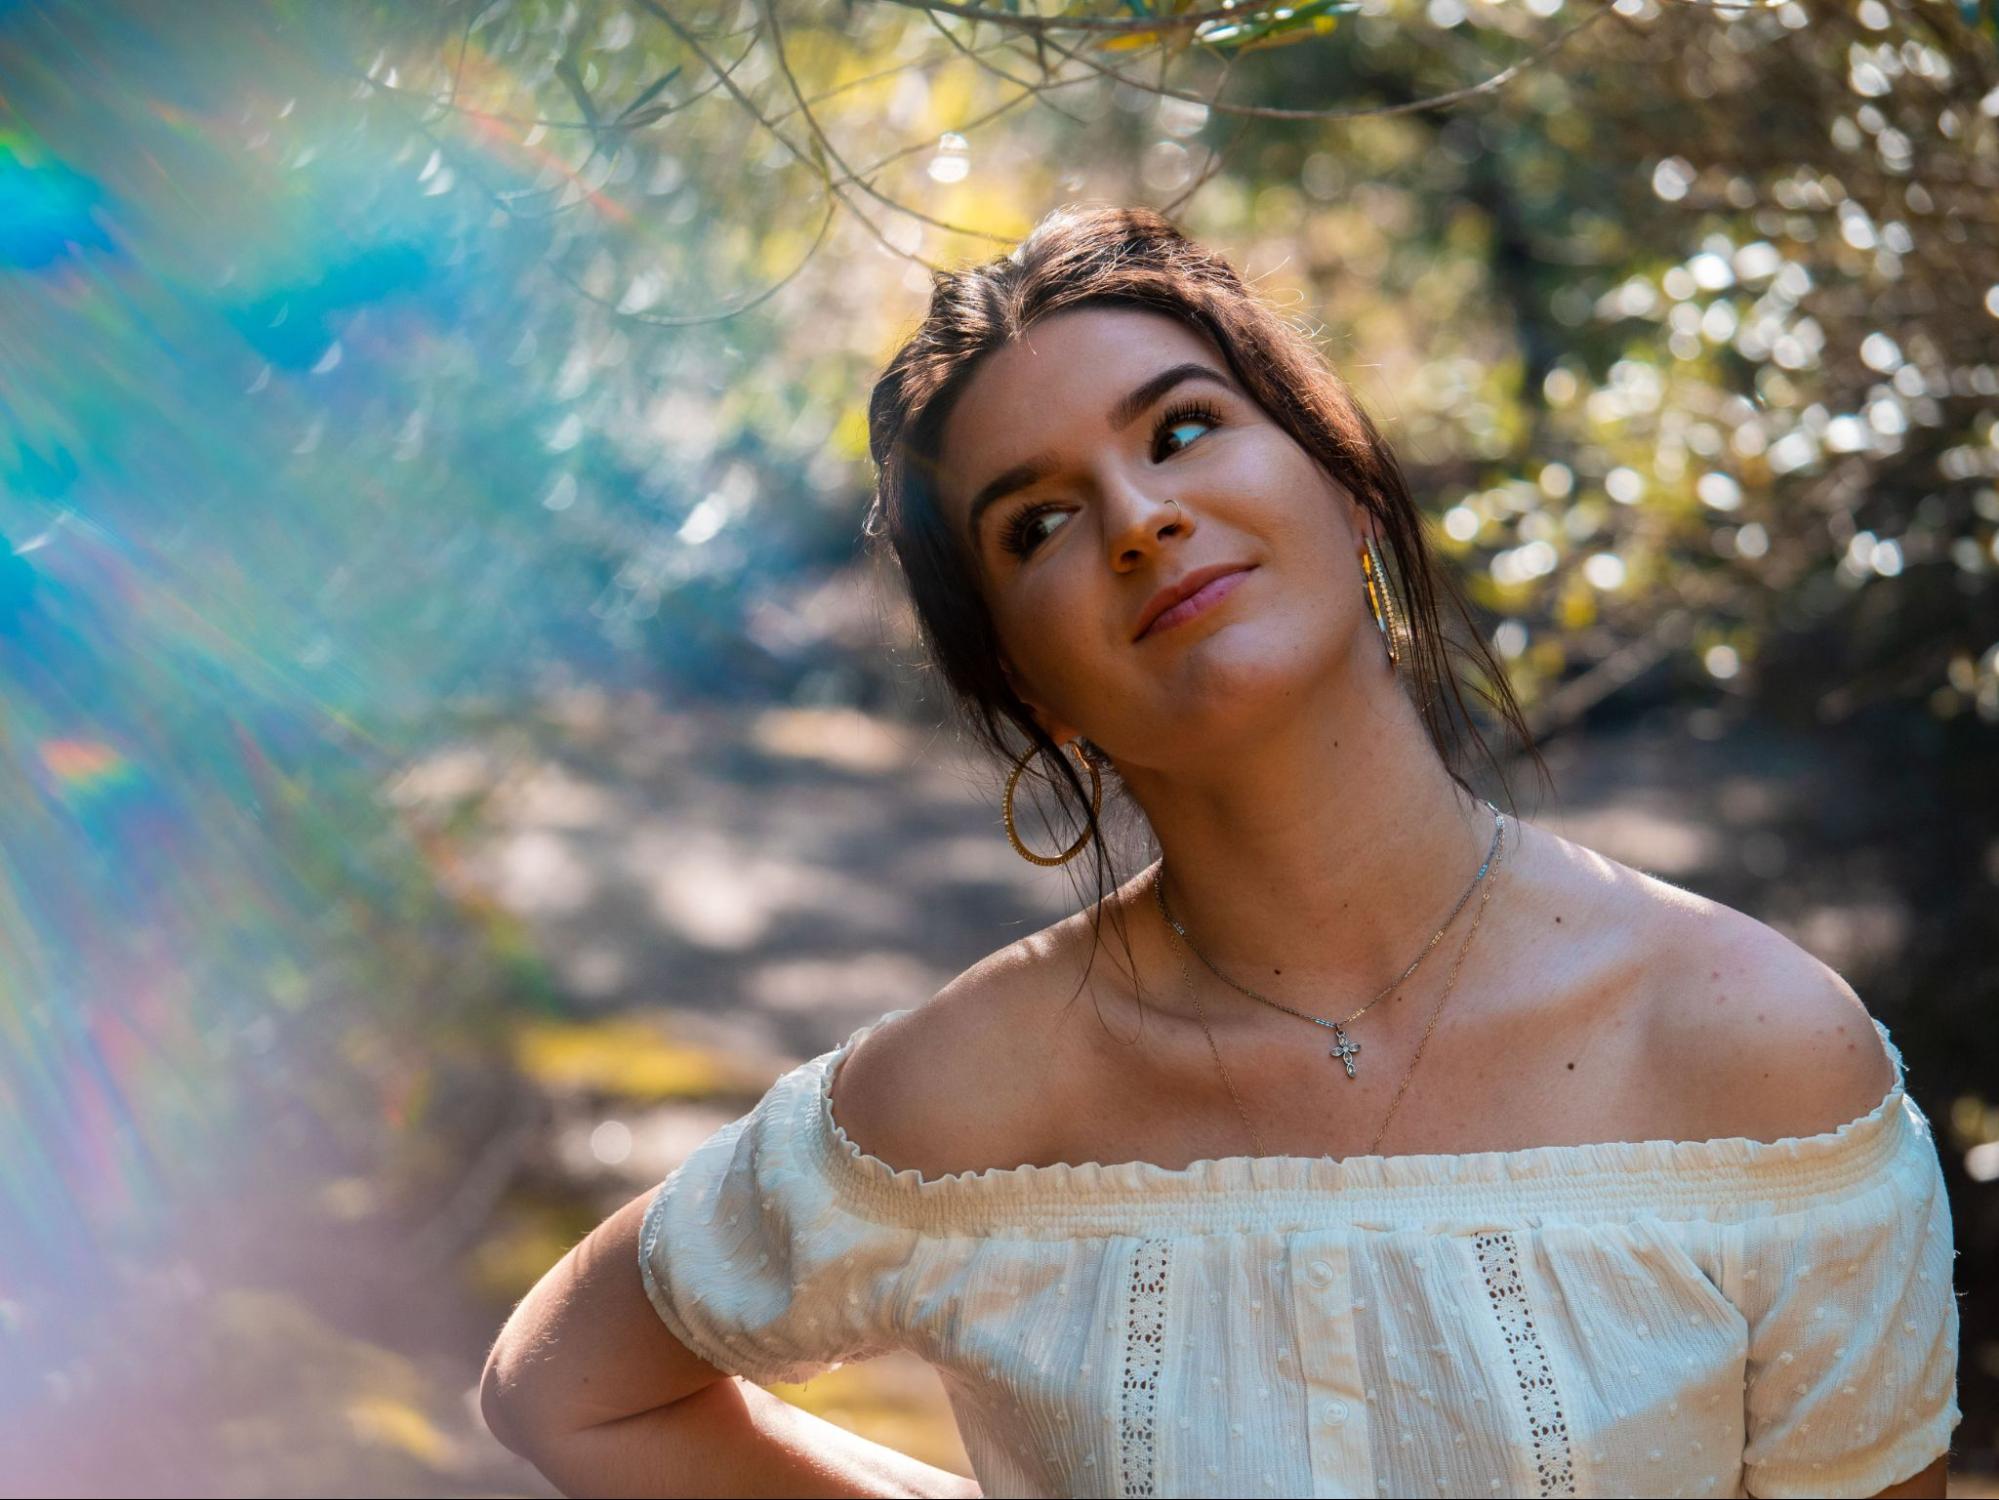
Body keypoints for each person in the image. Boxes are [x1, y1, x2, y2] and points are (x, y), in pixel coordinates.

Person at [479, 206, 1960, 1499]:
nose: (1139, 518)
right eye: (1039, 521)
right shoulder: (975, 1093)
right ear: (1024, 680)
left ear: (1350, 485)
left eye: (1181, 428)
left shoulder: (1764, 1066)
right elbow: (570, 1388)